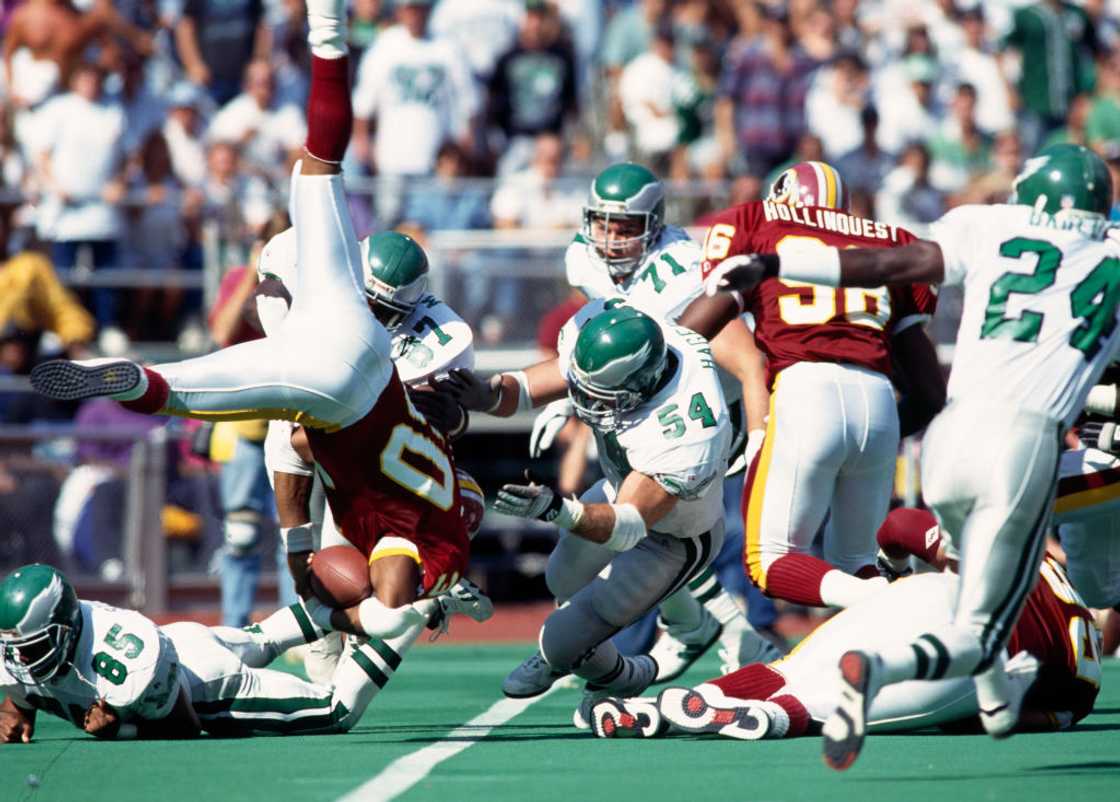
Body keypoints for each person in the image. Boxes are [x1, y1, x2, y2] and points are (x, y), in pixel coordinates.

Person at [29, 0, 492, 685]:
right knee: (208, 400)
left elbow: (322, 152)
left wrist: (299, 548)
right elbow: (427, 425)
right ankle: (150, 387)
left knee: (186, 384)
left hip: (316, 348)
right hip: (359, 376)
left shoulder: (308, 263)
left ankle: (136, 377)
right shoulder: (425, 333)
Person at [705, 143, 1120, 768]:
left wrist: (776, 261)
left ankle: (989, 689)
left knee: (969, 592)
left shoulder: (986, 224)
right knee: (990, 619)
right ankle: (889, 670)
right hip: (1021, 447)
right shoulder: (1109, 255)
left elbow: (886, 262)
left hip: (951, 446)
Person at [438, 302, 732, 728]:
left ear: (641, 385)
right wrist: (486, 395)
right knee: (560, 579)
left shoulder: (686, 431)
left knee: (558, 644)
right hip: (618, 486)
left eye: (599, 395)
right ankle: (678, 627)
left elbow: (628, 527)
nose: (584, 401)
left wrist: (558, 510)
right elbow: (529, 385)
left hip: (674, 536)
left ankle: (631, 674)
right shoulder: (618, 337)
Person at [677, 160, 943, 612]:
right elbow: (930, 394)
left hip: (805, 389)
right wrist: (873, 436)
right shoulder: (887, 241)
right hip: (879, 400)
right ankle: (880, 631)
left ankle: (890, 597)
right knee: (856, 562)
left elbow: (693, 331)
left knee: (768, 561)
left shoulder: (756, 224)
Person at [590, 511, 1102, 741]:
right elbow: (1010, 718)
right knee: (824, 703)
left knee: (788, 670)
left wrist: (893, 574)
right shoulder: (1087, 680)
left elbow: (900, 526)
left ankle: (667, 707)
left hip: (925, 594)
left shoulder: (1011, 546)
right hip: (978, 652)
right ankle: (773, 718)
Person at [558, 161, 778, 679]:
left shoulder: (683, 270)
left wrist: (758, 433)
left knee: (657, 531)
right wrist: (568, 397)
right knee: (654, 535)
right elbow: (601, 337)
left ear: (654, 224)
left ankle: (720, 633)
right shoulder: (582, 257)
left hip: (700, 411)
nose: (611, 238)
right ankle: (711, 630)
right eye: (603, 223)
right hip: (639, 404)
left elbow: (747, 360)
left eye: (626, 226)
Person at [0, 563, 480, 741]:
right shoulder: (23, 650)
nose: (24, 658)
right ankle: (370, 605)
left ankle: (420, 607)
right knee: (264, 639)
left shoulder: (126, 668)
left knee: (335, 709)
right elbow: (23, 687)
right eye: (18, 647)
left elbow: (183, 726)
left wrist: (118, 731)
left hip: (202, 685)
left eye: (35, 645)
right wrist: (17, 710)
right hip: (181, 640)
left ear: (65, 627)